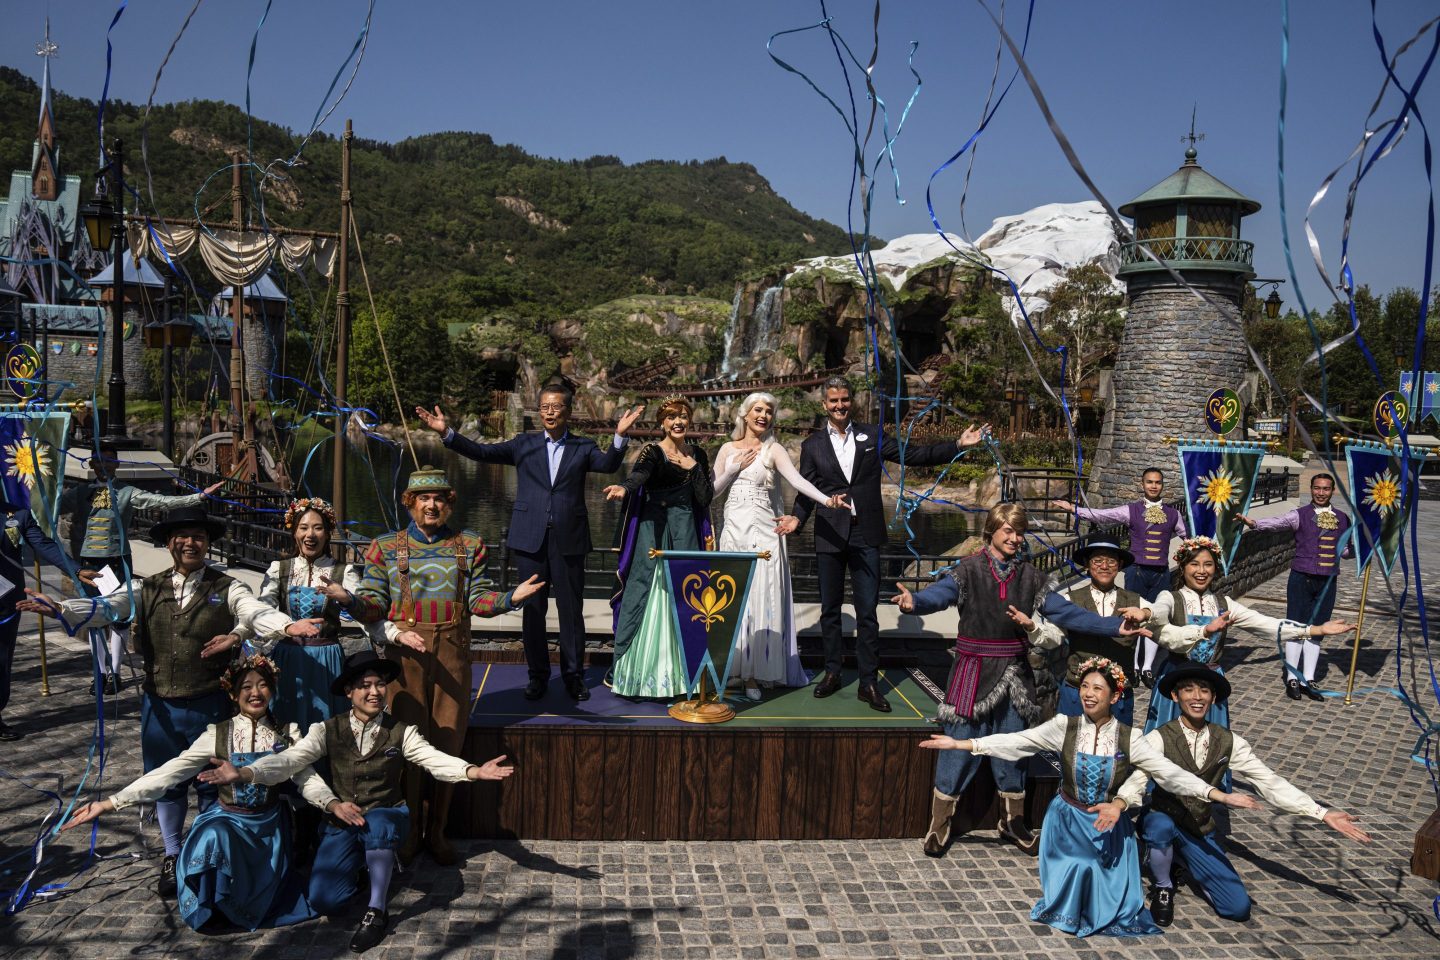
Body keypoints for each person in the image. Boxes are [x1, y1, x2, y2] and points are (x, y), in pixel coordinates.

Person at [20, 504, 322, 896]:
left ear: (209, 543)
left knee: (213, 783)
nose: (190, 543)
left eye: (198, 536)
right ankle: (173, 852)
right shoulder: (147, 588)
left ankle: (213, 852)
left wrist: (286, 624)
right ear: (168, 544)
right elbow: (107, 608)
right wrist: (61, 607)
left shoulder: (228, 587)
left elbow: (254, 612)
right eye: (181, 536)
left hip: (212, 705)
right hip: (160, 707)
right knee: (166, 783)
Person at [920, 657, 1261, 938]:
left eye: (1097, 688)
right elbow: (1017, 741)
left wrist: (1216, 794)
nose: (1088, 693)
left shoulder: (1132, 738)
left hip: (1108, 826)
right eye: (1084, 686)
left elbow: (1166, 772)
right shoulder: (1064, 727)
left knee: (1110, 898)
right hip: (1067, 823)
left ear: (1114, 697)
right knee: (1079, 876)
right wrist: (964, 744)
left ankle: (1161, 875)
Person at [199, 650, 514, 953]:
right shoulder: (327, 730)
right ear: (349, 691)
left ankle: (377, 910)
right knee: (325, 901)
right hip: (342, 820)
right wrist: (245, 773)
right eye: (364, 686)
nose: (374, 692)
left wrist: (472, 771)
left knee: (378, 827)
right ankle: (363, 867)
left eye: (379, 684)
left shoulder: (402, 732)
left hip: (386, 812)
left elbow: (433, 759)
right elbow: (290, 760)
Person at [319, 466, 542, 866]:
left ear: (449, 503)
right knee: (405, 742)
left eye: (439, 498)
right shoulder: (384, 547)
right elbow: (374, 604)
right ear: (410, 503)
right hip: (405, 658)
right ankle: (409, 831)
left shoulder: (469, 544)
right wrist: (349, 600)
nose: (432, 504)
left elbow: (479, 601)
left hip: (453, 657)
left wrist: (512, 598)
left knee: (448, 741)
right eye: (424, 498)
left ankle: (437, 831)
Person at [59, 655, 331, 931]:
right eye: (246, 687)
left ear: (272, 690)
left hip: (267, 828)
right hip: (229, 819)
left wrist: (331, 804)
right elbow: (173, 770)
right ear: (234, 694)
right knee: (214, 835)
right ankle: (214, 906)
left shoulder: (287, 734)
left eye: (262, 685)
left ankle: (248, 901)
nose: (255, 693)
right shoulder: (218, 734)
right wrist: (110, 803)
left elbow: (307, 778)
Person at [417, 387, 643, 702]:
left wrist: (619, 436)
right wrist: (448, 434)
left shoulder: (583, 446)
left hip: (569, 539)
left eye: (555, 406)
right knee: (532, 610)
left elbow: (607, 465)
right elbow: (483, 453)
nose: (549, 412)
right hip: (530, 537)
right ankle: (537, 676)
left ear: (567, 410)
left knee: (571, 610)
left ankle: (574, 677)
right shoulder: (524, 444)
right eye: (544, 407)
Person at [793, 376, 987, 713]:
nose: (839, 406)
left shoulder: (872, 435)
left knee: (867, 612)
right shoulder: (812, 446)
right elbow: (806, 490)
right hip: (829, 534)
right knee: (830, 609)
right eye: (833, 401)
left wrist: (957, 445)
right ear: (824, 405)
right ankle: (832, 671)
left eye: (844, 400)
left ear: (851, 401)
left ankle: (868, 682)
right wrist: (796, 519)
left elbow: (915, 454)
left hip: (866, 534)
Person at [1132, 665, 1372, 926]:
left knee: (1237, 908)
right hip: (1162, 817)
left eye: (1204, 691)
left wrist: (1322, 813)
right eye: (1188, 690)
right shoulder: (1158, 738)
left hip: (1199, 828)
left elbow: (1268, 780)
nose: (1197, 697)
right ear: (1176, 697)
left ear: (1213, 698)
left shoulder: (1229, 740)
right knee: (1160, 827)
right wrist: (1118, 806)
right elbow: (1136, 781)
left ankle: (1178, 859)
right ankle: (1163, 885)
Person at [892, 503, 1053, 856]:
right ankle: (939, 824)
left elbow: (1064, 612)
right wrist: (915, 602)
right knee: (957, 749)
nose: (1015, 537)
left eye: (1019, 531)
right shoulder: (968, 570)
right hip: (972, 670)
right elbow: (941, 594)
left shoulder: (1031, 576)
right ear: (992, 532)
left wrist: (1113, 625)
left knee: (1012, 749)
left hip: (1014, 671)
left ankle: (1012, 823)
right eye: (1007, 530)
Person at [59, 441, 225, 694]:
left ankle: (115, 672)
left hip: (115, 561)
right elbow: (50, 507)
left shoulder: (126, 492)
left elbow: (160, 501)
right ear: (92, 463)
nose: (104, 465)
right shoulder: (80, 493)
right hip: (87, 563)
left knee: (119, 618)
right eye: (99, 460)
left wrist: (199, 496)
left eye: (110, 460)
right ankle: (99, 673)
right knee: (93, 617)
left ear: (117, 465)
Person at [712, 392, 848, 700]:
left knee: (761, 599)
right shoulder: (726, 449)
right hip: (733, 533)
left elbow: (798, 482)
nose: (764, 415)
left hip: (764, 534)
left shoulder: (773, 449)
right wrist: (732, 470)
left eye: (769, 411)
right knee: (733, 600)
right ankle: (731, 668)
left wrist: (827, 500)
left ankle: (754, 674)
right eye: (758, 409)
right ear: (745, 414)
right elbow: (710, 493)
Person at [1143, 536, 1354, 734]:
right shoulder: (1171, 598)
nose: (1201, 571)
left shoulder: (1224, 604)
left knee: (1211, 741)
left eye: (1208, 564)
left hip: (1211, 680)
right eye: (1194, 564)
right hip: (1176, 678)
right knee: (1171, 740)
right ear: (1183, 567)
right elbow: (1159, 611)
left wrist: (1314, 630)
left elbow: (1266, 624)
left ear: (1215, 569)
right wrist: (1147, 613)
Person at [604, 395, 714, 699]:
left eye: (682, 416)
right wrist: (623, 488)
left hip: (685, 531)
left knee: (686, 594)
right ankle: (636, 675)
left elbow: (705, 498)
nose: (678, 422)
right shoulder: (652, 451)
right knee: (644, 589)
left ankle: (683, 675)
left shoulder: (699, 455)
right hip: (653, 531)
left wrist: (693, 467)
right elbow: (639, 476)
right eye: (671, 417)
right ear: (662, 423)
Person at [257, 497, 390, 728]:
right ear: (294, 532)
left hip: (327, 659)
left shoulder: (342, 571)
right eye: (304, 528)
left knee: (326, 725)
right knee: (285, 721)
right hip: (288, 657)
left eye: (318, 528)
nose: (311, 535)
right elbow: (261, 613)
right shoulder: (279, 570)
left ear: (327, 533)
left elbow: (366, 616)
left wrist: (396, 635)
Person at [1051, 467, 1187, 688]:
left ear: (1163, 486)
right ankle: (1133, 664)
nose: (1154, 486)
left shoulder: (1174, 514)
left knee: (1154, 618)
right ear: (1142, 485)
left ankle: (1147, 668)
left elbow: (1187, 537)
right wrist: (1074, 509)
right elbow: (1102, 515)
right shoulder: (1130, 510)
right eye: (1150, 482)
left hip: (1161, 572)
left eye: (1158, 482)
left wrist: (1185, 554)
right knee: (1132, 618)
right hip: (1137, 572)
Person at [1236, 473, 1353, 700]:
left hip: (1328, 580)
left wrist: (1361, 550)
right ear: (1311, 489)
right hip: (1301, 578)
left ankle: (1308, 678)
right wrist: (1254, 523)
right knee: (1296, 626)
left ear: (1332, 491)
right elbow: (1277, 523)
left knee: (1318, 628)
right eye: (1317, 488)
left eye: (1326, 489)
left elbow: (1345, 552)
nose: (1321, 492)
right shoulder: (1299, 515)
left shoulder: (1342, 518)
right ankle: (1292, 677)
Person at [1038, 540, 1152, 726]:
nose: (1105, 566)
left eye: (1112, 562)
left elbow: (1161, 617)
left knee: (1115, 750)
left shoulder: (1136, 601)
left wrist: (1147, 613)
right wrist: (1032, 629)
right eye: (1098, 561)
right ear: (1087, 565)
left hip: (1118, 693)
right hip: (1077, 690)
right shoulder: (1070, 599)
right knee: (1072, 746)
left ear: (1120, 565)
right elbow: (1054, 635)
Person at [0, 496, 74, 741]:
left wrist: (76, 569)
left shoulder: (17, 515)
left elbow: (44, 545)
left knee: (2, 663)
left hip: (6, 604)